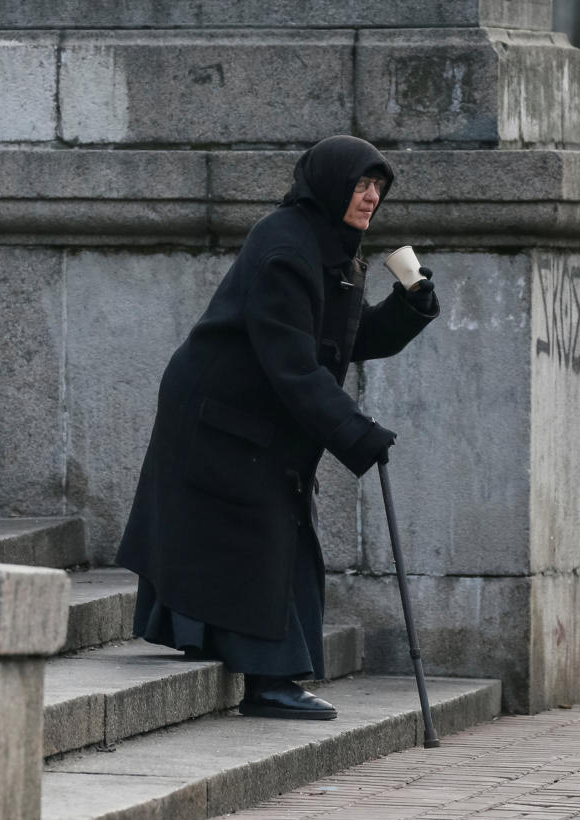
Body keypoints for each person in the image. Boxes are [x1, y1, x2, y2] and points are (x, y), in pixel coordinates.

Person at [115, 135, 439, 721]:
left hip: (247, 415)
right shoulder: (285, 248)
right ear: (332, 184)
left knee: (250, 532)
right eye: (361, 185)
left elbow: (340, 339)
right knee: (265, 535)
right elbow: (292, 365)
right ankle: (269, 681)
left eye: (378, 189)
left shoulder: (332, 248)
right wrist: (358, 433)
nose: (370, 198)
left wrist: (407, 310)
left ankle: (226, 647)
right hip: (218, 417)